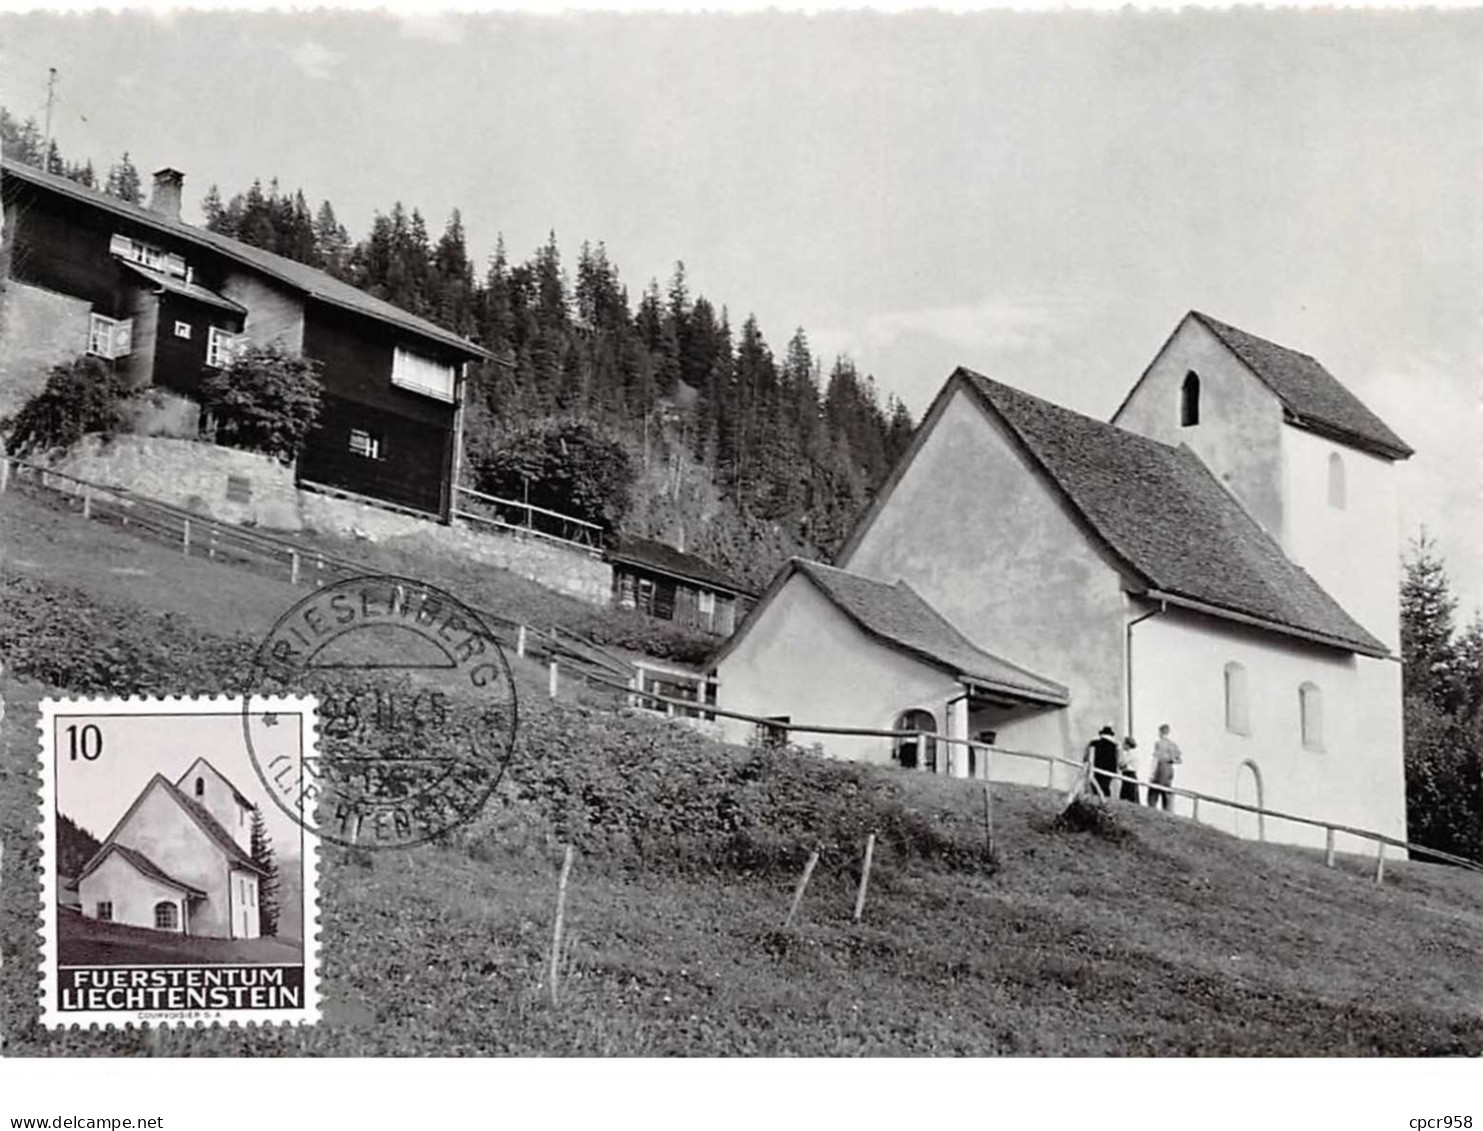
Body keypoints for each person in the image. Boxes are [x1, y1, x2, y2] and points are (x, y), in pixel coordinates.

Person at [1147, 723, 1182, 811]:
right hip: (1169, 769)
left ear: (1160, 732)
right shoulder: (1173, 745)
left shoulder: (1159, 743)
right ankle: (1167, 810)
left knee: (1153, 792)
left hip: (1160, 768)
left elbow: (1155, 759)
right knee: (1166, 791)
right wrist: (1171, 760)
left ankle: (1152, 810)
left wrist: (1151, 774)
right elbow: (1179, 760)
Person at [1085, 725, 1119, 798]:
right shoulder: (1114, 746)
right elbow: (1116, 759)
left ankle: (1098, 799)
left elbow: (1087, 756)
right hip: (1109, 770)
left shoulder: (1094, 743)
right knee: (1105, 787)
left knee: (1095, 786)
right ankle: (1105, 800)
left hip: (1096, 768)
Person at [1117, 735, 1142, 803]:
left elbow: (1121, 764)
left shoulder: (1131, 753)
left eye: (1124, 744)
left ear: (1127, 745)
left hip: (1129, 774)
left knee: (1129, 796)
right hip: (1128, 774)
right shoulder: (1133, 753)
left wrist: (1120, 752)